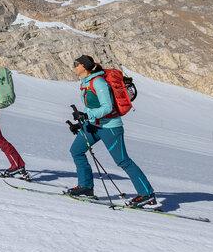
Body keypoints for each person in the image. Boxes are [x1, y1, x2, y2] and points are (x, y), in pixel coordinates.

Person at [67, 55, 157, 208]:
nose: (73, 66)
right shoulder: (85, 82)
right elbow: (91, 107)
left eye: (76, 64)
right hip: (93, 125)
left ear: (84, 66)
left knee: (123, 161)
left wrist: (87, 115)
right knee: (76, 150)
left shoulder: (99, 82)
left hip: (110, 127)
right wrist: (82, 121)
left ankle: (147, 195)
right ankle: (86, 187)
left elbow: (107, 107)